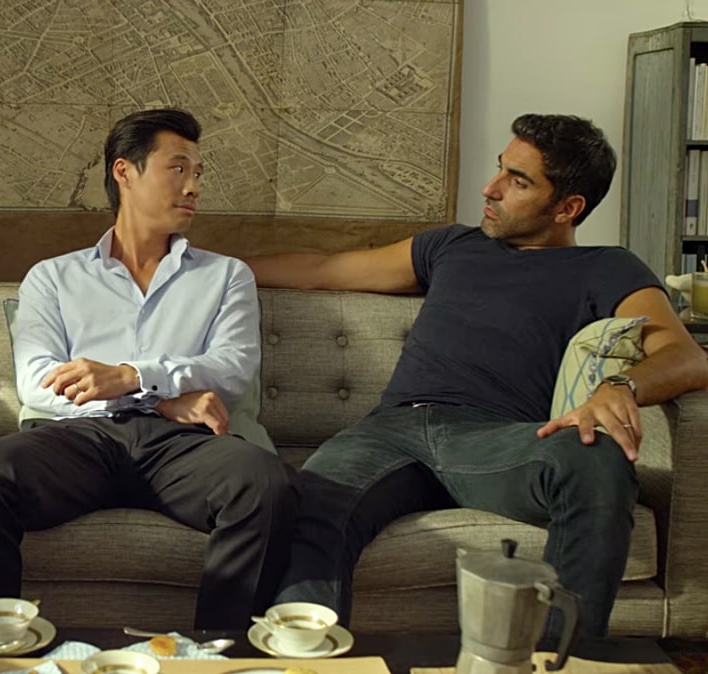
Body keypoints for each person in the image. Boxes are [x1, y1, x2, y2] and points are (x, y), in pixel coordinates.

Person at [246, 113, 708, 640]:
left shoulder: (607, 267)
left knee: (596, 458)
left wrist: (620, 386)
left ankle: (561, 659)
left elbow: (688, 356)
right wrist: (199, 262)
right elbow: (324, 270)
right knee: (316, 500)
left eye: (518, 181)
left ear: (568, 207)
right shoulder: (451, 246)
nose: (490, 189)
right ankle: (301, 659)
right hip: (389, 433)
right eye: (500, 169)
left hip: (500, 443)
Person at [0, 108, 295, 629]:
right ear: (124, 172)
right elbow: (37, 381)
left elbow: (233, 368)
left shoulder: (226, 276)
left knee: (264, 483)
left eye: (198, 173)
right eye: (178, 168)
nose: (194, 186)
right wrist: (160, 398)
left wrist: (132, 376)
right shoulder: (53, 278)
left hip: (184, 446)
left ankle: (218, 653)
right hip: (80, 438)